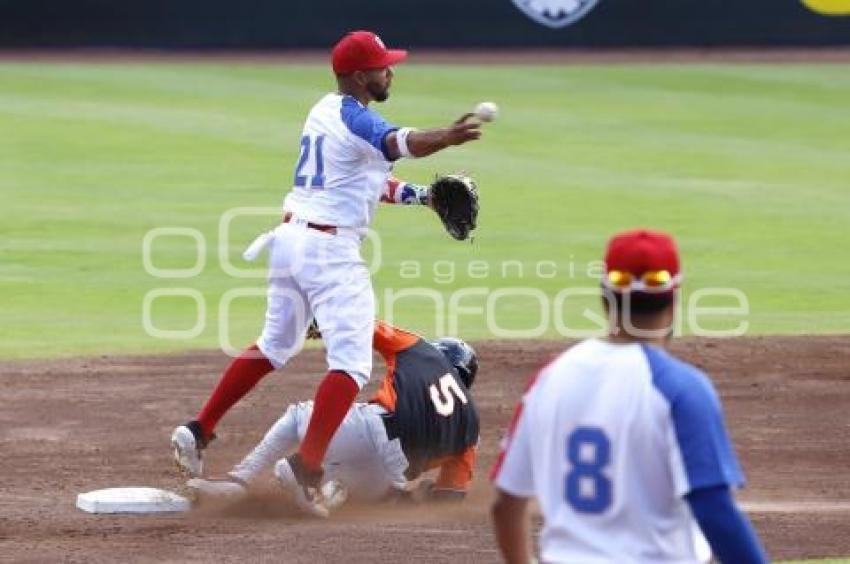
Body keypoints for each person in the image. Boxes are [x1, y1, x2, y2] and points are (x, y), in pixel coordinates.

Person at [170, 29, 482, 514]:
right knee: (352, 365)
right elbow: (404, 142)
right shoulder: (361, 121)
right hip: (328, 251)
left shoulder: (324, 110)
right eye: (383, 66)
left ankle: (199, 428)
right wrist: (449, 136)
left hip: (290, 240)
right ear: (361, 75)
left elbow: (366, 179)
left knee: (275, 345)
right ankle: (307, 470)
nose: (390, 72)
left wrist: (422, 196)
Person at [490, 229, 768, 564]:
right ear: (674, 299)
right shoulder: (681, 388)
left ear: (604, 298)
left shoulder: (548, 380)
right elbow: (714, 510)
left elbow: (506, 505)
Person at [187, 321, 480, 518]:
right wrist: (420, 498)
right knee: (374, 482)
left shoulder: (420, 349)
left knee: (298, 415)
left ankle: (243, 478)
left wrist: (322, 322)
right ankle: (331, 491)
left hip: (370, 431)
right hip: (386, 482)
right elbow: (449, 498)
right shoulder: (472, 426)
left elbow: (361, 322)